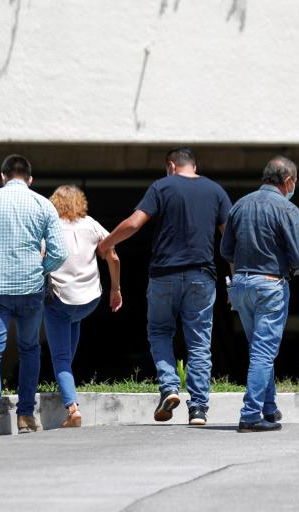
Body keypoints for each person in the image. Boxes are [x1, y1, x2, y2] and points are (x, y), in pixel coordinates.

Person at [97, 147, 231, 426]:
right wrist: (234, 280)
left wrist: (107, 243)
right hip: (201, 276)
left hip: (163, 275)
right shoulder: (215, 191)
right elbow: (230, 240)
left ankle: (169, 388)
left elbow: (135, 223)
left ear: (171, 165)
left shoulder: (162, 187)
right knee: (198, 342)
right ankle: (198, 409)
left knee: (159, 332)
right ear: (194, 165)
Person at [0, 154, 67, 437]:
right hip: (30, 289)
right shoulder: (42, 204)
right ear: (30, 179)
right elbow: (59, 253)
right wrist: (38, 269)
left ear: (2, 176)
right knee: (29, 349)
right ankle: (25, 416)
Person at [221, 156, 299, 433]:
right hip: (271, 285)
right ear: (288, 181)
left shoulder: (240, 205)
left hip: (241, 285)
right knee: (263, 352)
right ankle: (250, 414)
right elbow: (298, 255)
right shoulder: (287, 209)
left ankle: (269, 408)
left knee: (259, 348)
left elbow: (226, 250)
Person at [44, 185, 122, 428]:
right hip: (88, 301)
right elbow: (114, 257)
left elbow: (39, 258)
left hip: (59, 300)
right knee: (67, 346)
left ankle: (72, 409)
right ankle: (68, 381)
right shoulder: (91, 224)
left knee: (60, 358)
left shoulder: (51, 226)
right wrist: (116, 289)